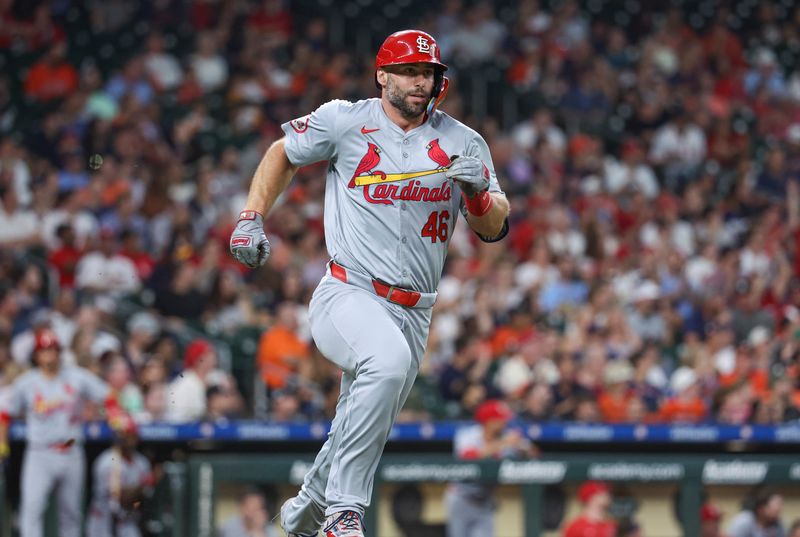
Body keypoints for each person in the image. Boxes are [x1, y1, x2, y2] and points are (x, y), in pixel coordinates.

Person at [229, 29, 509, 537]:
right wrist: (251, 216)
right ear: (382, 75)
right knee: (386, 364)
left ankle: (304, 514)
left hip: (415, 310)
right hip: (348, 291)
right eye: (407, 71)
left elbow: (494, 228)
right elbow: (282, 152)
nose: (419, 81)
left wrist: (479, 197)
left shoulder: (464, 142)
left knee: (364, 419)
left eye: (427, 72)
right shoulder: (346, 120)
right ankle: (344, 512)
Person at [0, 329, 129, 537]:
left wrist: (114, 414)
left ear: (60, 352)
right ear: (37, 355)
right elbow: (5, 413)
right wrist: (2, 442)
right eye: (45, 350)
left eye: (53, 349)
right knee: (31, 510)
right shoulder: (27, 382)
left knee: (70, 514)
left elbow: (107, 395)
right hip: (40, 453)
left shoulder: (76, 376)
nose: (50, 355)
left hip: (71, 450)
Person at [445, 399, 537, 537]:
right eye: (500, 420)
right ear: (490, 422)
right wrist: (503, 443)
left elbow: (535, 455)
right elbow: (469, 456)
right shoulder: (467, 435)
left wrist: (523, 448)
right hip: (461, 498)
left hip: (485, 502)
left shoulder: (506, 438)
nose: (504, 423)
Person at [86, 414, 155, 537]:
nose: (126, 438)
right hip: (103, 525)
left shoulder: (141, 462)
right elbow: (121, 499)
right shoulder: (107, 461)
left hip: (128, 524)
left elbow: (142, 499)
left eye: (129, 434)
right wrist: (147, 482)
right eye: (122, 434)